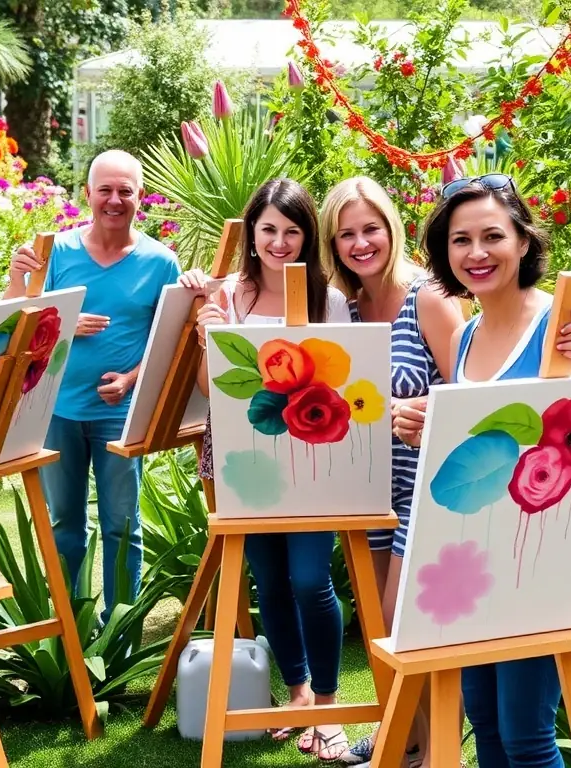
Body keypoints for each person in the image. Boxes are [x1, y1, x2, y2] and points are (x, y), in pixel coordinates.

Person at [396, 173, 571, 768]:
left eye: (492, 236)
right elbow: (485, 444)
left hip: (542, 564)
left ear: (522, 241)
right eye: (461, 240)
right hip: (478, 562)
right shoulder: (465, 336)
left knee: (526, 735)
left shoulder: (561, 326)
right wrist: (427, 428)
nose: (477, 252)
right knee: (486, 722)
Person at [180, 178, 352, 763]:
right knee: (271, 581)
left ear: (308, 237)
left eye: (292, 231)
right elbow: (212, 392)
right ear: (252, 232)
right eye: (269, 230)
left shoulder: (328, 300)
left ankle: (327, 705)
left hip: (313, 460)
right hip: (244, 462)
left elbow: (345, 380)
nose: (279, 242)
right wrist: (206, 340)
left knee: (309, 580)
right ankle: (299, 691)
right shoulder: (229, 295)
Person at [318, 177, 466, 768]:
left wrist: (426, 407)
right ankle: (406, 741)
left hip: (428, 486)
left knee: (408, 624)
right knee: (381, 628)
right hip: (368, 487)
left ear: (391, 229)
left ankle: (438, 752)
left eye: (370, 229)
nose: (360, 243)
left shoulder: (427, 297)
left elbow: (472, 391)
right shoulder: (344, 308)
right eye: (346, 234)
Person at [4, 150, 180, 616]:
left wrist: (130, 380)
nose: (114, 200)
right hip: (56, 411)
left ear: (140, 197)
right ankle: (71, 622)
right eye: (105, 190)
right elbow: (16, 325)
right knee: (64, 522)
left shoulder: (161, 263)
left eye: (125, 191)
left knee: (122, 524)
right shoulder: (55, 253)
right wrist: (59, 320)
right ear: (87, 194)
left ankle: (119, 629)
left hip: (119, 416)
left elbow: (168, 340)